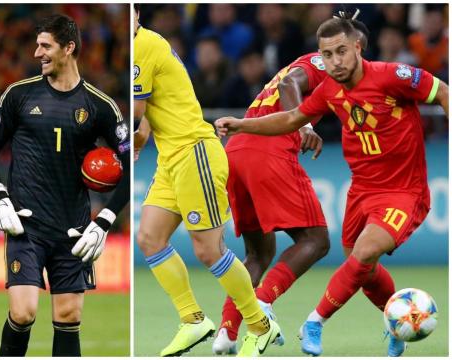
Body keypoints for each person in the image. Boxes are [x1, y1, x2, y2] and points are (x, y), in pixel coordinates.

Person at [215, 17, 448, 357]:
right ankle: (395, 321)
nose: (335, 61)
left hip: (402, 191)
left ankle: (311, 320)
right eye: (327, 54)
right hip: (361, 191)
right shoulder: (328, 89)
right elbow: (291, 118)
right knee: (362, 267)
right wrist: (242, 124)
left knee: (363, 252)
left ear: (358, 47)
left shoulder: (392, 75)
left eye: (341, 51)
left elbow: (443, 92)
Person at [213, 14, 371, 356]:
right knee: (316, 239)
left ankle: (226, 331)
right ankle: (262, 305)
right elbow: (290, 86)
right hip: (268, 148)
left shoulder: (341, 80)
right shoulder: (317, 62)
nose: (337, 60)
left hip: (238, 150)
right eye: (334, 52)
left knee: (259, 252)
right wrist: (303, 128)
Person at [0, 14, 130, 357]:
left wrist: (103, 221)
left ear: (68, 48)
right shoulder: (19, 95)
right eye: (37, 45)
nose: (37, 53)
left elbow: (129, 167)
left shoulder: (100, 106)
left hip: (73, 230)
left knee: (68, 315)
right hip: (26, 225)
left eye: (45, 46)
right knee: (23, 311)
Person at [134, 6, 280, 357]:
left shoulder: (143, 46)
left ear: (137, 14)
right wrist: (136, 143)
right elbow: (147, 116)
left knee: (208, 249)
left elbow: (135, 114)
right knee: (150, 238)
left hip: (195, 152)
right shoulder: (143, 47)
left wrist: (120, 143)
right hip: (171, 158)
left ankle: (260, 326)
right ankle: (192, 320)